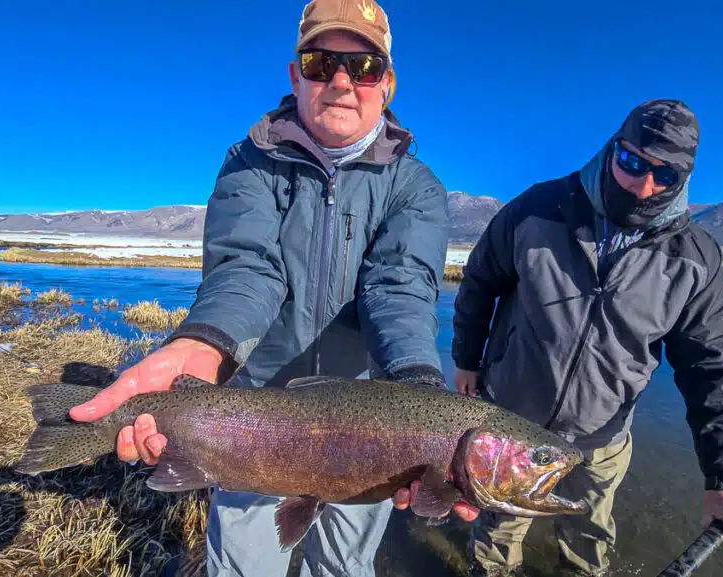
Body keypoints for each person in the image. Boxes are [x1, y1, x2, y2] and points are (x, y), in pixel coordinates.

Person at [67, 1, 474, 575]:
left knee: (345, 567)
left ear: (386, 85)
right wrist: (204, 343)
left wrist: (418, 390)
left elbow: (399, 290)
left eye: (363, 67)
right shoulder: (249, 163)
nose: (341, 82)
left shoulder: (417, 186)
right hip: (251, 415)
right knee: (241, 564)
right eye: (320, 62)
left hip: (374, 425)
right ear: (294, 74)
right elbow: (247, 269)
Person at [450, 99, 723, 577]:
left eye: (665, 175)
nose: (643, 186)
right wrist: (466, 359)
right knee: (498, 527)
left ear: (684, 178)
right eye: (633, 163)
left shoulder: (694, 258)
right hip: (511, 421)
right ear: (614, 148)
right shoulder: (538, 209)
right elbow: (479, 283)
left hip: (601, 437)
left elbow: (715, 370)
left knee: (588, 536)